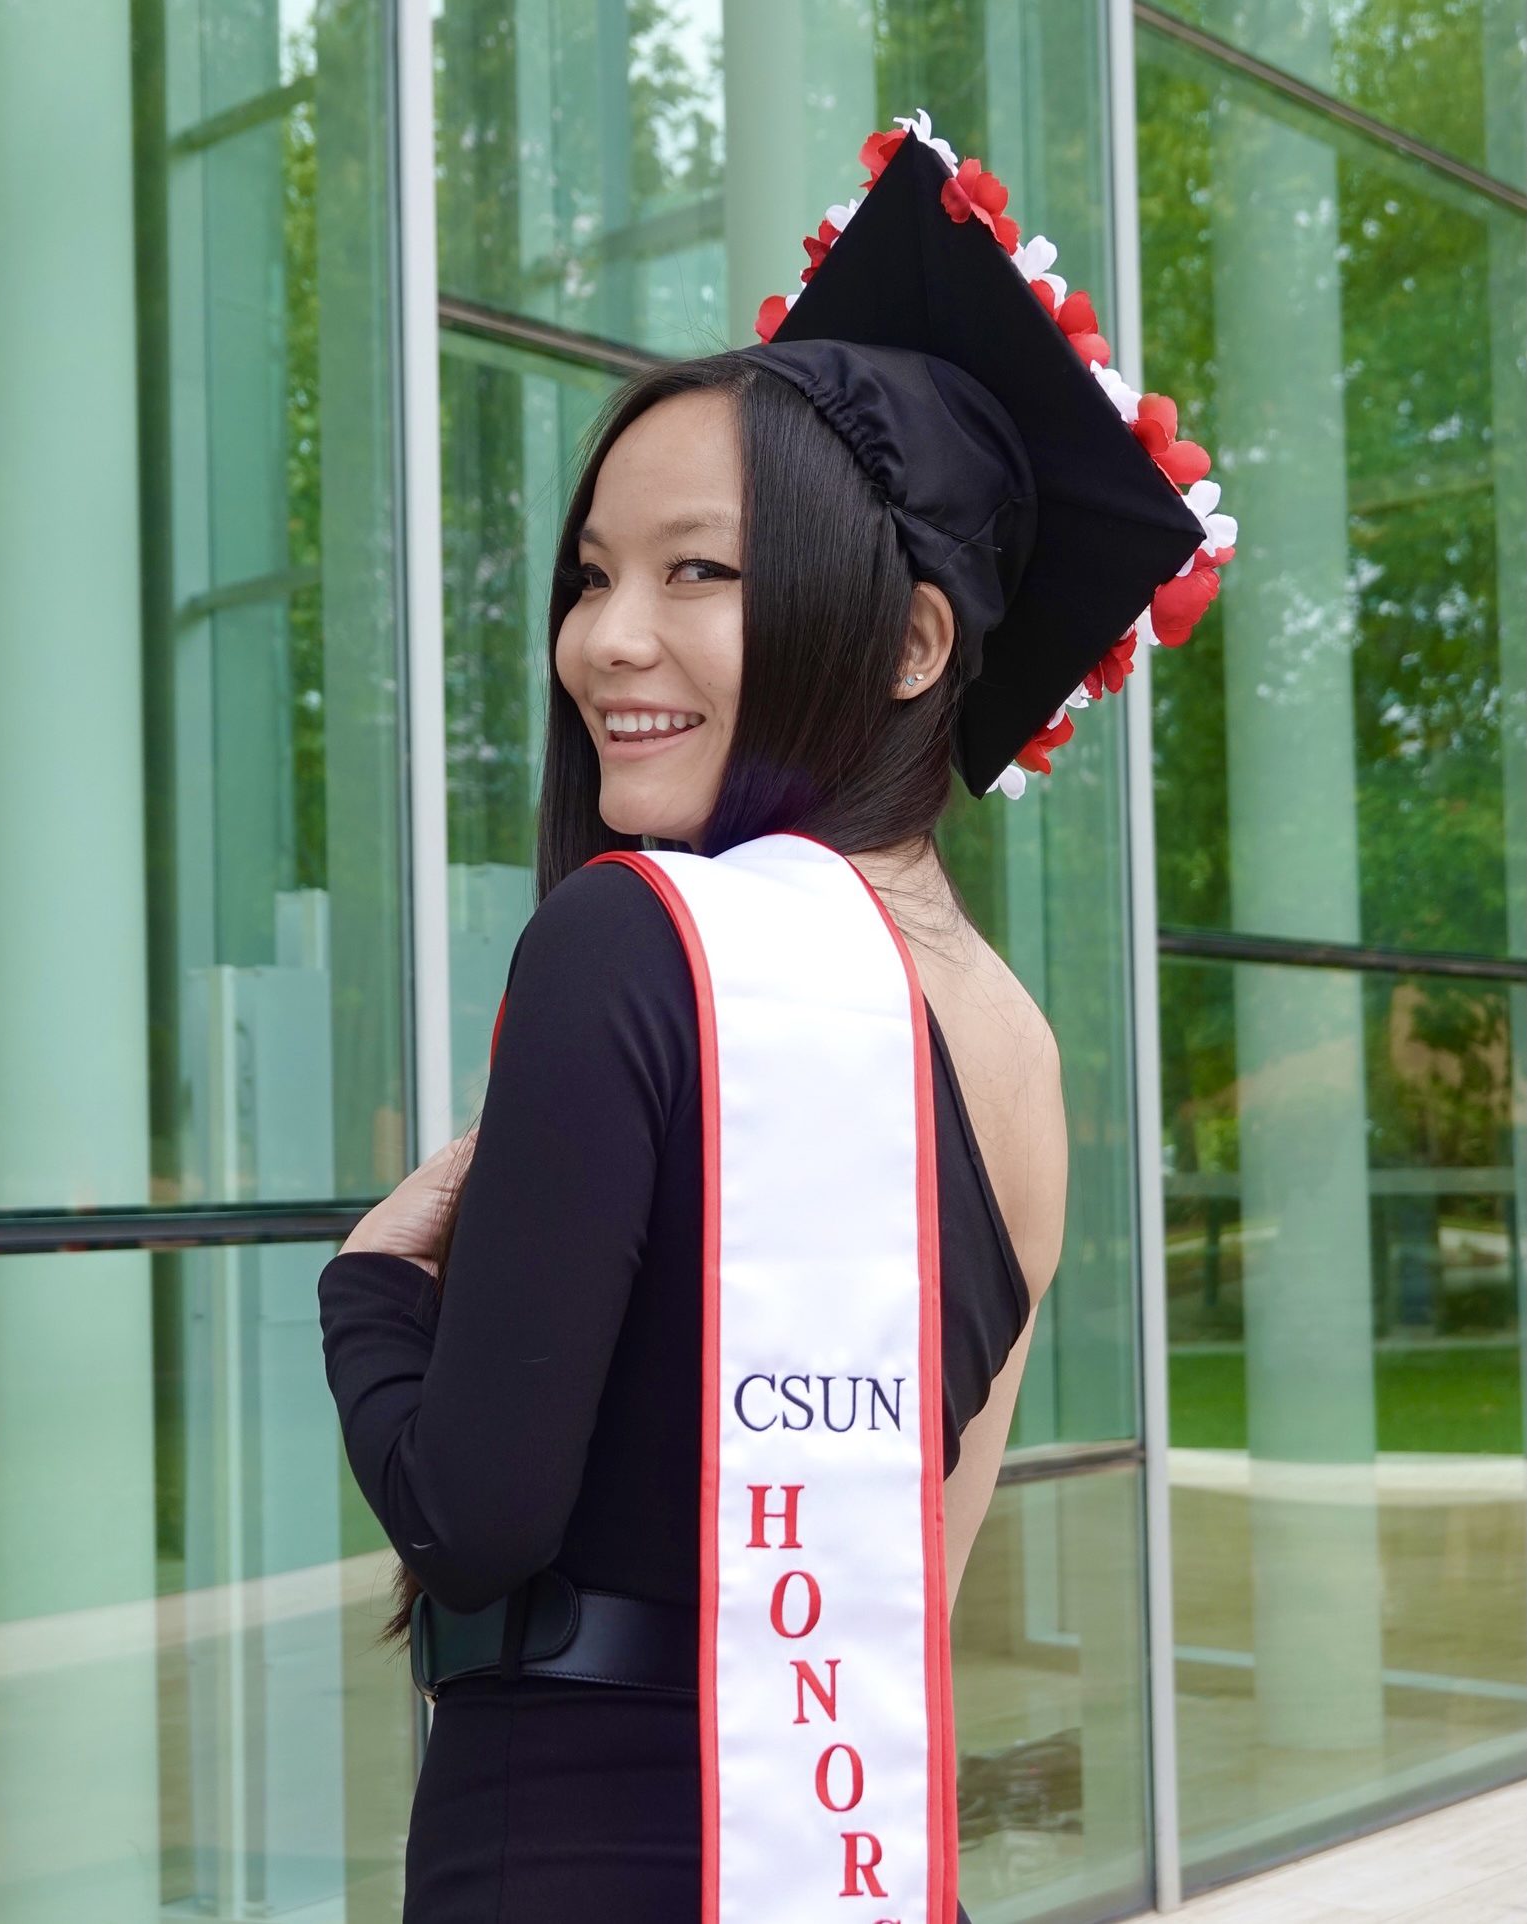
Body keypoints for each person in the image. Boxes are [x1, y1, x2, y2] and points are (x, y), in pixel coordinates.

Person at [318, 112, 1228, 1924]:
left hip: (565, 1854)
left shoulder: (622, 946)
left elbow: (474, 1513)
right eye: (592, 575)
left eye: (697, 574)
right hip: (847, 1854)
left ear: (906, 642)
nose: (604, 642)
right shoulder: (1018, 1052)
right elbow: (905, 1581)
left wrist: (365, 1291)